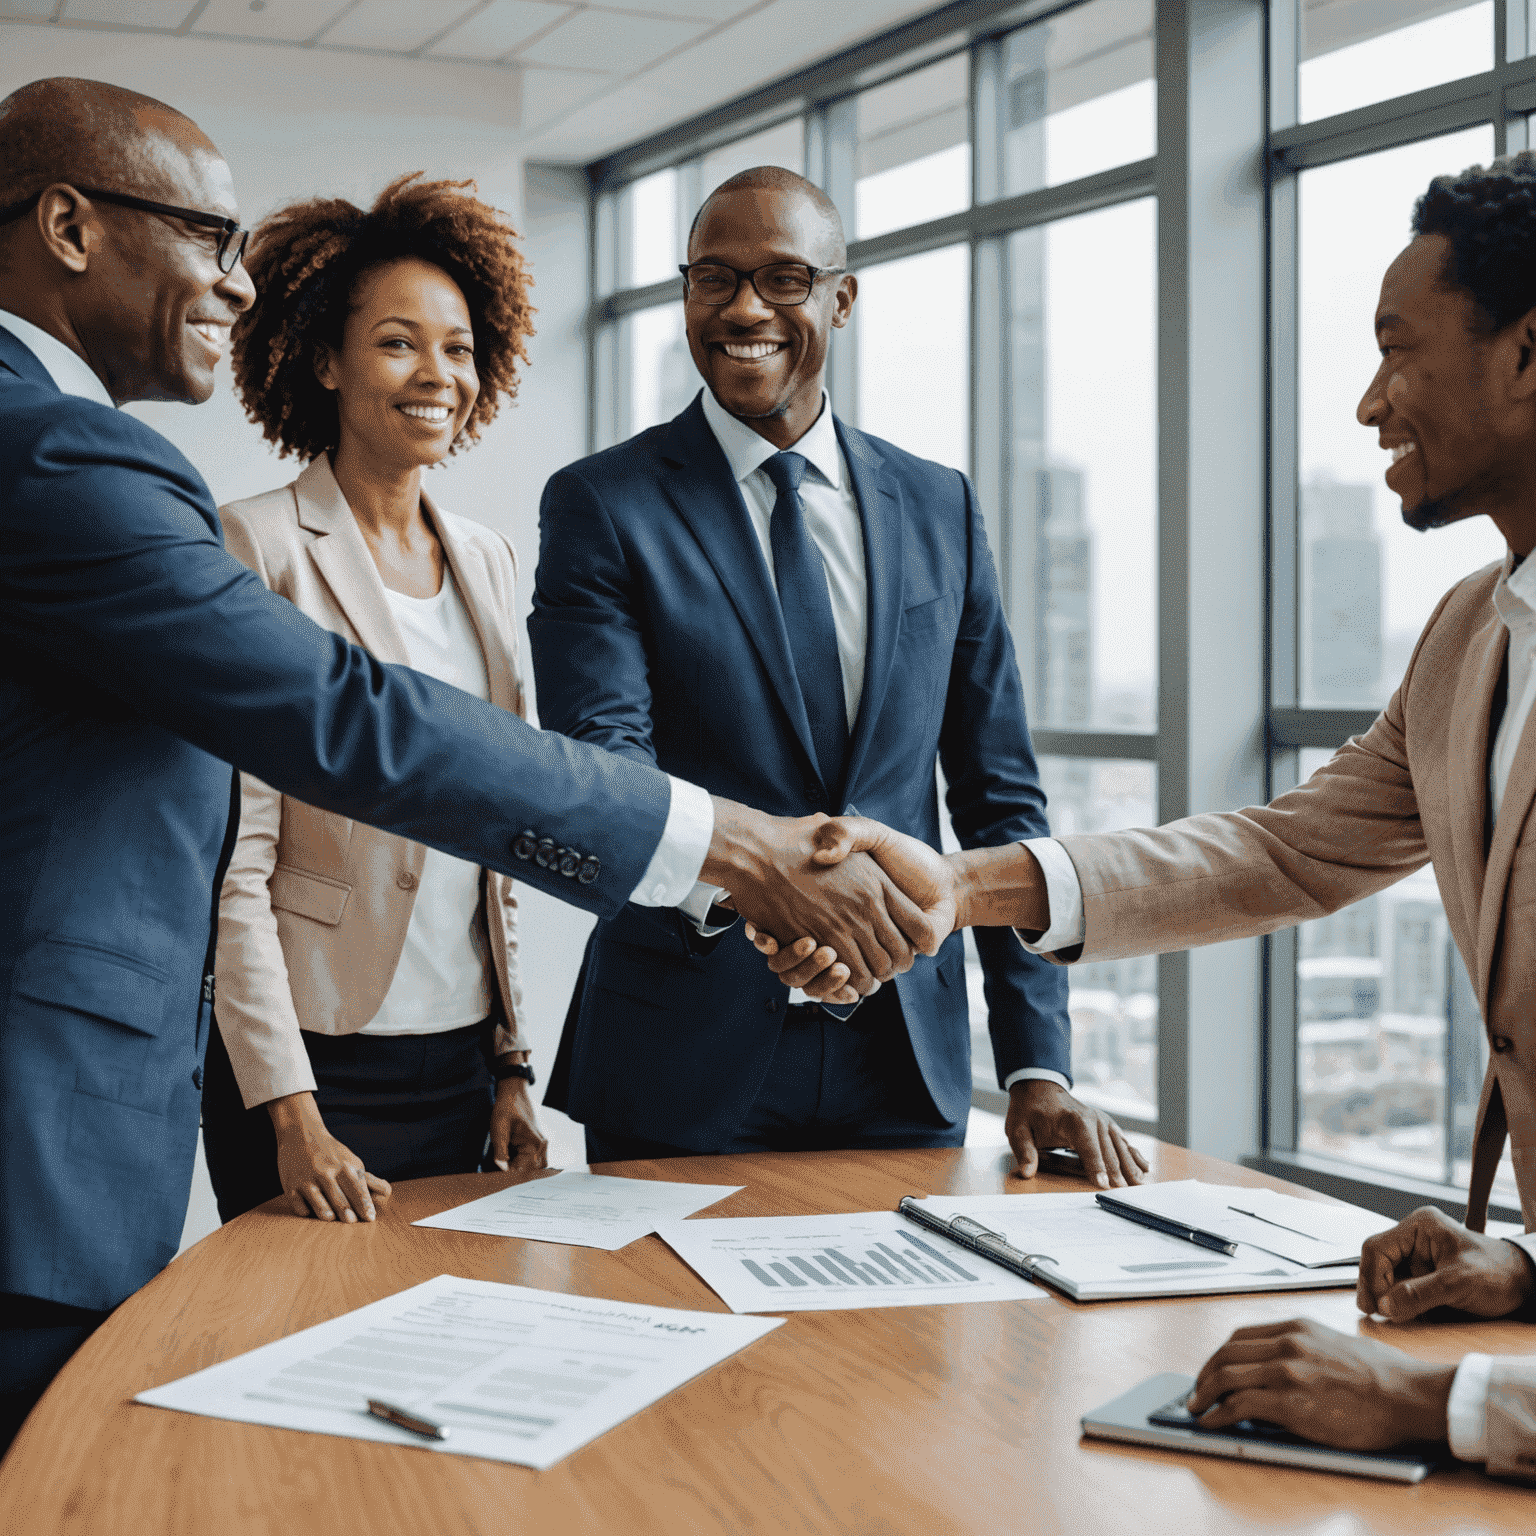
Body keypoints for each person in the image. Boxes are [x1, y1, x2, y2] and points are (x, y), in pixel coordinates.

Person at [0, 78, 941, 1448]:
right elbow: (354, 726)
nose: (240, 284)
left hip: (410, 1064)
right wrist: (731, 850)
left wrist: (513, 1052)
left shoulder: (477, 550)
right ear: (73, 226)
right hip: (61, 1144)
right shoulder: (59, 456)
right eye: (212, 237)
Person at [778, 152, 1536, 1476]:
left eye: (1398, 353)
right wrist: (961, 888)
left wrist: (1437, 1404)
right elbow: (1281, 851)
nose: (1368, 404)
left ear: (1526, 358)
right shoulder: (1476, 633)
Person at [529, 166, 1146, 1181]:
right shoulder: (603, 505)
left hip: (904, 1063)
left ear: (840, 299)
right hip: (683, 1052)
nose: (742, 309)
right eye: (713, 278)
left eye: (781, 278)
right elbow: (608, 776)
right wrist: (760, 897)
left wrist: (1040, 1064)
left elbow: (998, 796)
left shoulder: (938, 505)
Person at [203, 175, 550, 1226]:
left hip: (459, 1064)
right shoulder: (255, 546)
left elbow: (503, 831)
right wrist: (290, 1111)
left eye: (457, 347)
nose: (436, 374)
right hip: (313, 1062)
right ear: (323, 360)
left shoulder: (486, 559)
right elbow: (236, 862)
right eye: (399, 343)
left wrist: (512, 1064)